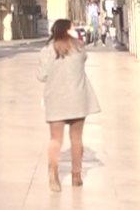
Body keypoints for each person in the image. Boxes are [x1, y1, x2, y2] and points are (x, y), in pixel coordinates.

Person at [37, 18, 101, 192]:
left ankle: (53, 172)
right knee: (77, 139)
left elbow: (42, 76)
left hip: (56, 100)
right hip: (77, 100)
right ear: (68, 30)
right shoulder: (79, 49)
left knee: (55, 139)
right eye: (72, 28)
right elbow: (83, 59)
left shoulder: (47, 51)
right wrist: (75, 38)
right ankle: (76, 176)